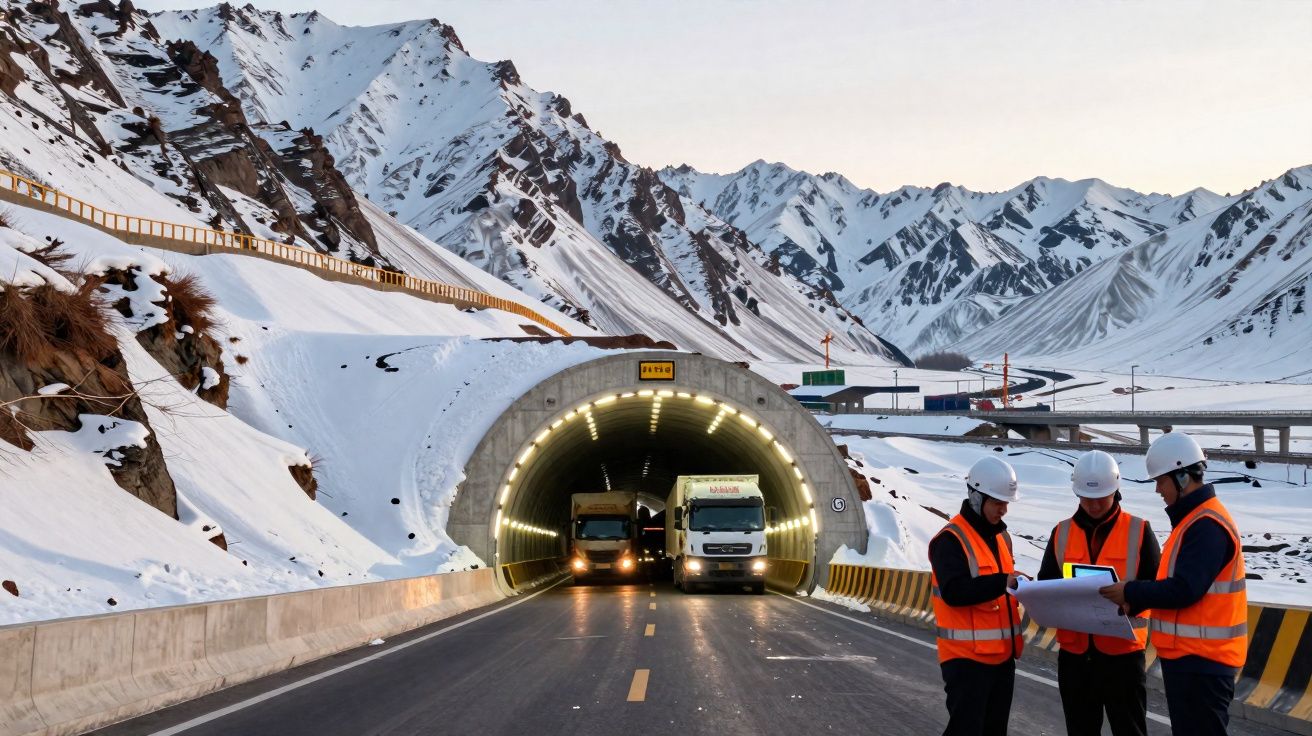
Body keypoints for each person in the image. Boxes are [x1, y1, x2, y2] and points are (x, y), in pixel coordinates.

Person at [1100, 433, 1247, 735]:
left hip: (1203, 663)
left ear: (1181, 477)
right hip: (1191, 660)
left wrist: (1130, 590)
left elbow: (1185, 589)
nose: (1157, 490)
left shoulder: (1206, 525)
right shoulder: (1192, 521)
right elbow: (1175, 585)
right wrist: (1136, 602)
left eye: (1161, 481)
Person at [1038, 450, 1160, 736]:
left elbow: (1155, 588)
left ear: (1116, 491)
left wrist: (1131, 601)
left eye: (1100, 498)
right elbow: (1047, 584)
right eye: (1086, 498)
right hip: (1076, 658)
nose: (1093, 505)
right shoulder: (1061, 532)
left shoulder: (1139, 531)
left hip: (1123, 658)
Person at [929, 456, 1025, 736]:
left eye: (1006, 503)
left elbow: (1002, 585)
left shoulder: (1002, 538)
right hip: (966, 660)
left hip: (1002, 657)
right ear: (975, 497)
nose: (1003, 510)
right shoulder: (950, 540)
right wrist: (1002, 582)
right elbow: (954, 591)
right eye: (997, 503)